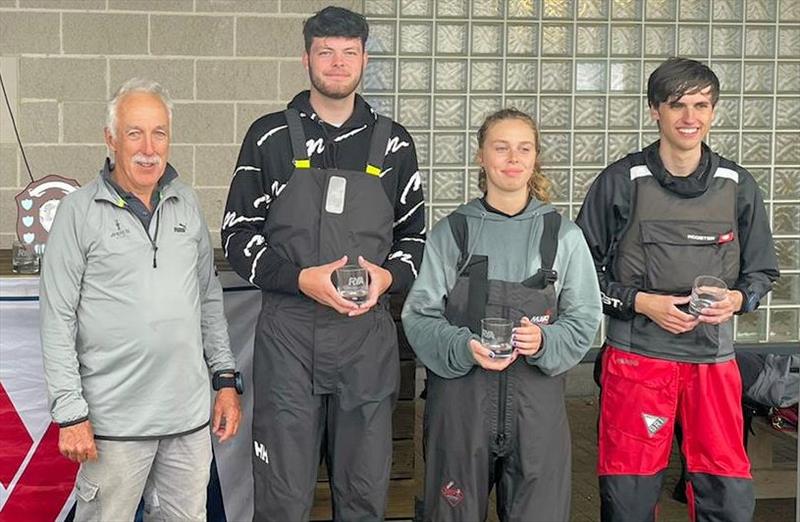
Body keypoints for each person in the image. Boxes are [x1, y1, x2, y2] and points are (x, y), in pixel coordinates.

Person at [221, 6, 425, 521]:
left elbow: (415, 240)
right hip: (289, 338)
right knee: (283, 496)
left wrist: (388, 277)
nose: (337, 63)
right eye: (326, 52)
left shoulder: (393, 142)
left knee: (363, 493)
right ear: (306, 57)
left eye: (348, 53)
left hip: (367, 340)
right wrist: (297, 279)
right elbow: (237, 234)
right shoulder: (268, 137)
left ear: (364, 59)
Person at [576, 57, 780, 521]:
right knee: (628, 494)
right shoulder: (620, 182)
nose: (691, 117)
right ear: (655, 111)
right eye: (678, 105)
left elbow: (762, 272)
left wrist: (738, 299)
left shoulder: (738, 185)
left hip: (712, 362)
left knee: (725, 491)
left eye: (701, 105)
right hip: (637, 360)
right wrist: (640, 302)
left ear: (714, 111)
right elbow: (578, 272)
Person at [39, 78, 242, 522]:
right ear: (110, 138)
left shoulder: (186, 203)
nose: (148, 147)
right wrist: (71, 413)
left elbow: (208, 299)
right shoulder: (78, 211)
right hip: (113, 426)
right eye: (134, 133)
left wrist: (225, 380)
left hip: (187, 423)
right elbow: (57, 317)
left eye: (159, 133)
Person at [402, 108, 602, 521]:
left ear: (535, 158)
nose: (513, 158)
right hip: (461, 411)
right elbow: (418, 316)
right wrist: (462, 346)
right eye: (501, 147)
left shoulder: (563, 236)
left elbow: (584, 319)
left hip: (536, 413)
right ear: (481, 157)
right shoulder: (451, 233)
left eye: (523, 148)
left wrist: (545, 341)